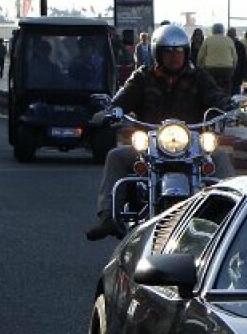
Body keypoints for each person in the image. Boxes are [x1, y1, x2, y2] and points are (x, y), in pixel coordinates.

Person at [86, 24, 236, 240]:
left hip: (192, 145)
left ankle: (233, 217)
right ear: (158, 52)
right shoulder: (142, 77)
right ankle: (108, 217)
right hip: (150, 145)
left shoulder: (199, 77)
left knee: (220, 158)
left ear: (186, 52)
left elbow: (216, 96)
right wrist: (111, 110)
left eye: (179, 51)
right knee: (116, 157)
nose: (174, 56)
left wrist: (231, 108)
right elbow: (123, 98)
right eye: (169, 51)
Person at [197, 22, 237, 97]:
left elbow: (200, 56)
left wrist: (200, 67)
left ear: (213, 30)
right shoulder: (229, 40)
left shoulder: (208, 40)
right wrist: (233, 68)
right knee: (226, 89)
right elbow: (234, 57)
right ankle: (226, 102)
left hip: (211, 68)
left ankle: (211, 104)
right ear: (223, 31)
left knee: (210, 88)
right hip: (227, 69)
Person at [229, 27, 247, 98]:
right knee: (235, 93)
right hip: (235, 73)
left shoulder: (240, 45)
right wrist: (245, 75)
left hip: (235, 73)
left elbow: (244, 60)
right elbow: (244, 61)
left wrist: (245, 74)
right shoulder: (240, 45)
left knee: (235, 93)